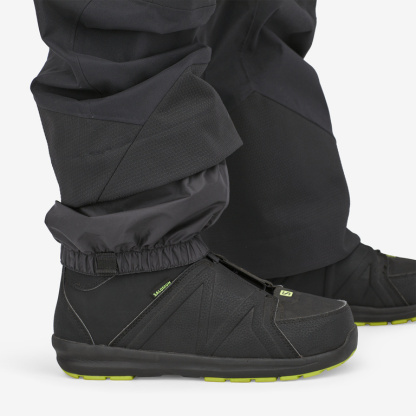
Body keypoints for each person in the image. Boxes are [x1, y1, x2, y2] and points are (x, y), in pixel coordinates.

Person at [30, 0, 412, 381]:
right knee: (133, 11)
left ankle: (282, 244)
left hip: (281, 230)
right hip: (132, 264)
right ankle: (133, 278)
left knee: (251, 16)